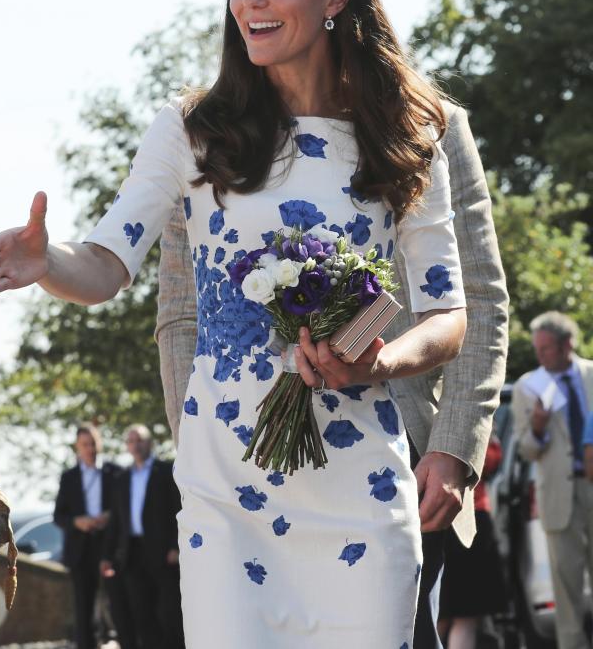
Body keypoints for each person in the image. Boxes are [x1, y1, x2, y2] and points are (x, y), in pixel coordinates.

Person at [0, 0, 470, 646]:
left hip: (359, 483)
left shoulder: (405, 133)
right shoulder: (192, 130)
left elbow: (447, 313)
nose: (250, 0)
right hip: (226, 490)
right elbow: (105, 266)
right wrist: (47, 262)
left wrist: (381, 360)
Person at [155, 101, 508, 649]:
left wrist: (455, 449)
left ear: (339, 8)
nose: (252, 11)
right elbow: (182, 315)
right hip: (233, 476)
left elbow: (476, 301)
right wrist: (197, 444)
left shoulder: (429, 124)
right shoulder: (210, 135)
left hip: (395, 468)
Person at [513, 312, 593, 649]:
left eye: (546, 348)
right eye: (538, 349)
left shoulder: (591, 374)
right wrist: (538, 428)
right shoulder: (528, 386)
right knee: (566, 587)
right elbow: (525, 450)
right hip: (558, 495)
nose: (541, 355)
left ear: (567, 344)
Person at [101, 425, 183, 649]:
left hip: (162, 553)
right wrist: (107, 555)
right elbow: (116, 521)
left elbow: (178, 510)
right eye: (131, 441)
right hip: (132, 554)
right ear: (127, 446)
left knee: (170, 613)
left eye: (140, 440)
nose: (135, 445)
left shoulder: (166, 471)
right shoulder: (123, 478)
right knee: (141, 613)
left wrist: (176, 546)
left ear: (149, 443)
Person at [54, 424, 134, 649]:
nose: (90, 449)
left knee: (119, 604)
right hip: (81, 549)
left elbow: (126, 508)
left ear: (100, 444)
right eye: (85, 445)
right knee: (83, 610)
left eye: (93, 444)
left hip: (110, 547)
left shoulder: (115, 472)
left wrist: (111, 515)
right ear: (77, 447)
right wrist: (77, 522)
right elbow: (59, 516)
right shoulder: (68, 477)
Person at [437, 435, 507, 648]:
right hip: (466, 519)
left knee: (442, 614)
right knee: (462, 616)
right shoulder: (466, 412)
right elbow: (486, 460)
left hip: (439, 517)